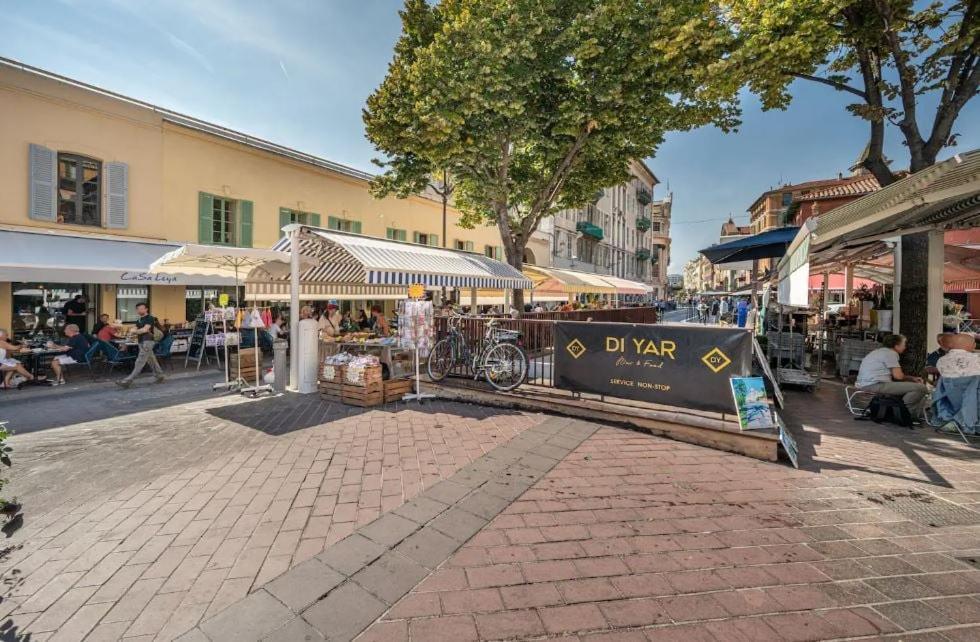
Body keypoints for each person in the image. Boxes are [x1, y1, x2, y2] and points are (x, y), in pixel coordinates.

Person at [855, 333, 928, 419]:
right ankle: (903, 412)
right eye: (903, 345)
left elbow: (896, 376)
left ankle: (900, 411)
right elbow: (898, 376)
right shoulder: (891, 353)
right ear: (896, 346)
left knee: (912, 387)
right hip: (874, 384)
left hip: (867, 383)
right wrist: (912, 379)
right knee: (921, 388)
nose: (905, 347)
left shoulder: (878, 351)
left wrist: (912, 379)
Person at [116, 302, 165, 388]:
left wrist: (135, 331)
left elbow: (145, 330)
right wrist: (132, 331)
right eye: (138, 309)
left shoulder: (150, 318)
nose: (140, 310)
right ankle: (160, 376)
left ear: (146, 309)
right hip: (141, 341)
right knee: (151, 360)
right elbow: (135, 328)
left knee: (140, 361)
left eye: (142, 308)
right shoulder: (139, 320)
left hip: (148, 341)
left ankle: (128, 380)